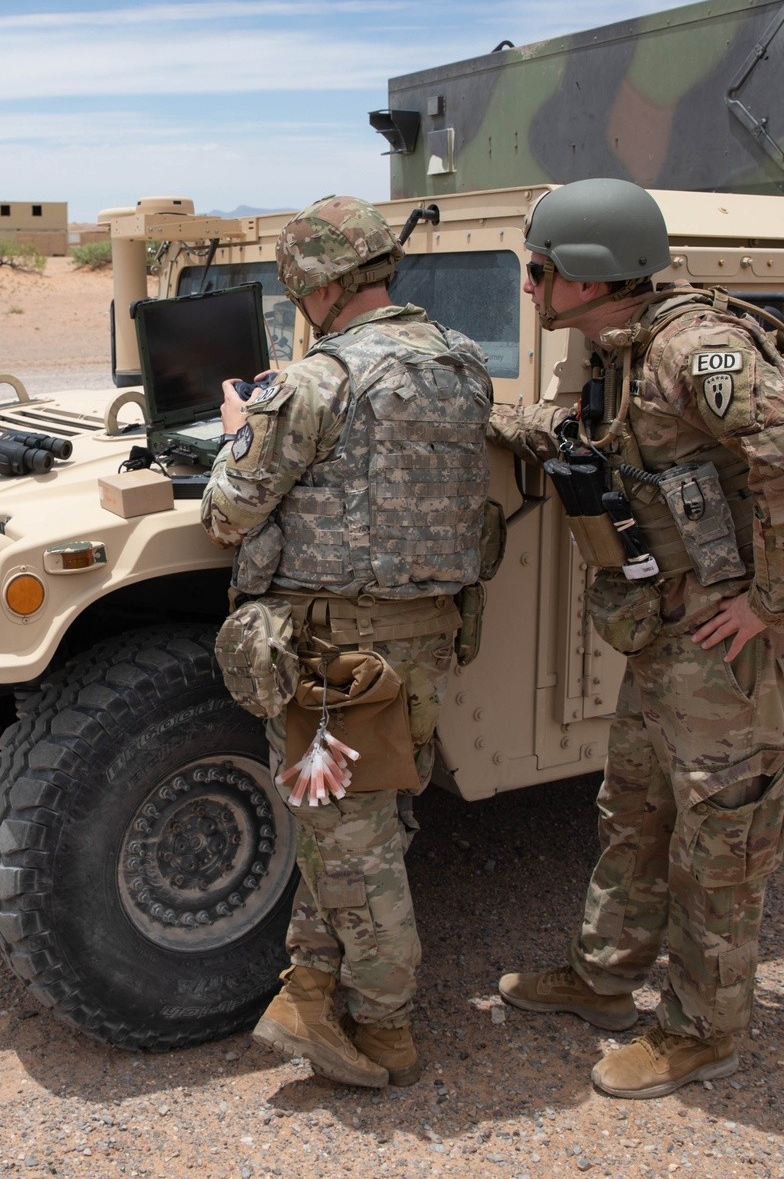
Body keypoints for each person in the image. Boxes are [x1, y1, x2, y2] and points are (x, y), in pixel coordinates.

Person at [488, 178, 784, 1099]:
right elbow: (597, 438)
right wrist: (494, 418)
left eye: (539, 270)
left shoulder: (696, 350)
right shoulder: (625, 349)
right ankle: (606, 979)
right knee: (635, 810)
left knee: (722, 841)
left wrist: (774, 601)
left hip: (724, 648)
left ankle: (702, 1029)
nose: (529, 287)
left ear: (589, 277)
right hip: (667, 637)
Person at [200, 194, 492, 1089]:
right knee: (372, 826)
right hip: (425, 649)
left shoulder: (317, 383)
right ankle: (312, 986)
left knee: (345, 845)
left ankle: (385, 1030)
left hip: (336, 668)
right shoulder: (463, 364)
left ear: (319, 290)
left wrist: (237, 433)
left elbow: (228, 512)